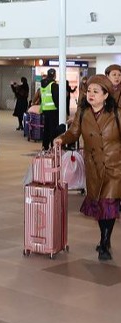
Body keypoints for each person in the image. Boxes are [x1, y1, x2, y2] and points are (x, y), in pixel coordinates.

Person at [54, 75, 121, 262]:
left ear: (106, 95)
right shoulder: (83, 113)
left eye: (96, 91)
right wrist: (62, 138)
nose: (91, 94)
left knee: (108, 205)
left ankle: (104, 242)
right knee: (100, 206)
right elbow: (74, 133)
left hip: (114, 166)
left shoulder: (117, 113)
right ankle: (105, 239)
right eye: (89, 91)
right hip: (93, 166)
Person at [31, 68, 59, 150]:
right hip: (53, 110)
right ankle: (53, 145)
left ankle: (45, 145)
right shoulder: (53, 85)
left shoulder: (43, 85)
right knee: (53, 129)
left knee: (46, 128)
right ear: (54, 75)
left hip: (45, 109)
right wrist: (59, 108)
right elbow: (56, 98)